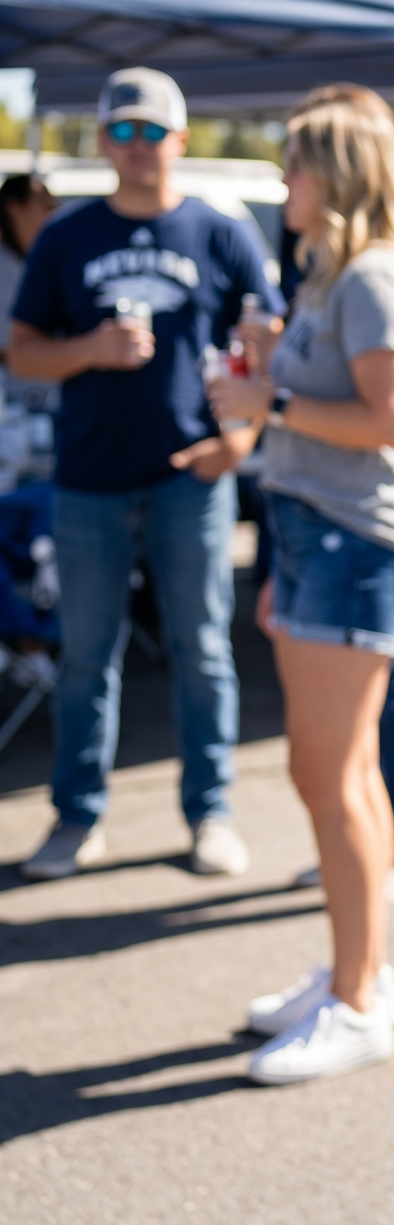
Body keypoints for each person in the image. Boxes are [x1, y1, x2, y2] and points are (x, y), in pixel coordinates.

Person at [209, 83, 394, 1085]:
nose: (283, 180)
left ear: (337, 176)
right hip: (321, 537)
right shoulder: (337, 272)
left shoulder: (375, 276)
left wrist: (268, 395)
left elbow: (392, 420)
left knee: (333, 776)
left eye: (297, 162)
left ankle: (361, 997)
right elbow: (346, 403)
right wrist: (281, 374)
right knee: (328, 775)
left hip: (355, 543)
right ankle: (354, 976)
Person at [13, 68, 281, 882]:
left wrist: (242, 439)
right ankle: (76, 816)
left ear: (179, 139)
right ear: (102, 142)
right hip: (89, 478)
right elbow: (21, 348)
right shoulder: (66, 236)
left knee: (203, 651)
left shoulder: (220, 231)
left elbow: (269, 336)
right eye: (120, 132)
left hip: (190, 476)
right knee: (87, 655)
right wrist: (88, 350)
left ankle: (211, 812)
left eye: (150, 131)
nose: (135, 147)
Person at [0, 174, 59, 409]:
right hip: (13, 411)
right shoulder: (4, 267)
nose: (54, 208)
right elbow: (12, 350)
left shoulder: (48, 263)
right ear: (15, 208)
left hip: (54, 403)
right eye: (44, 201)